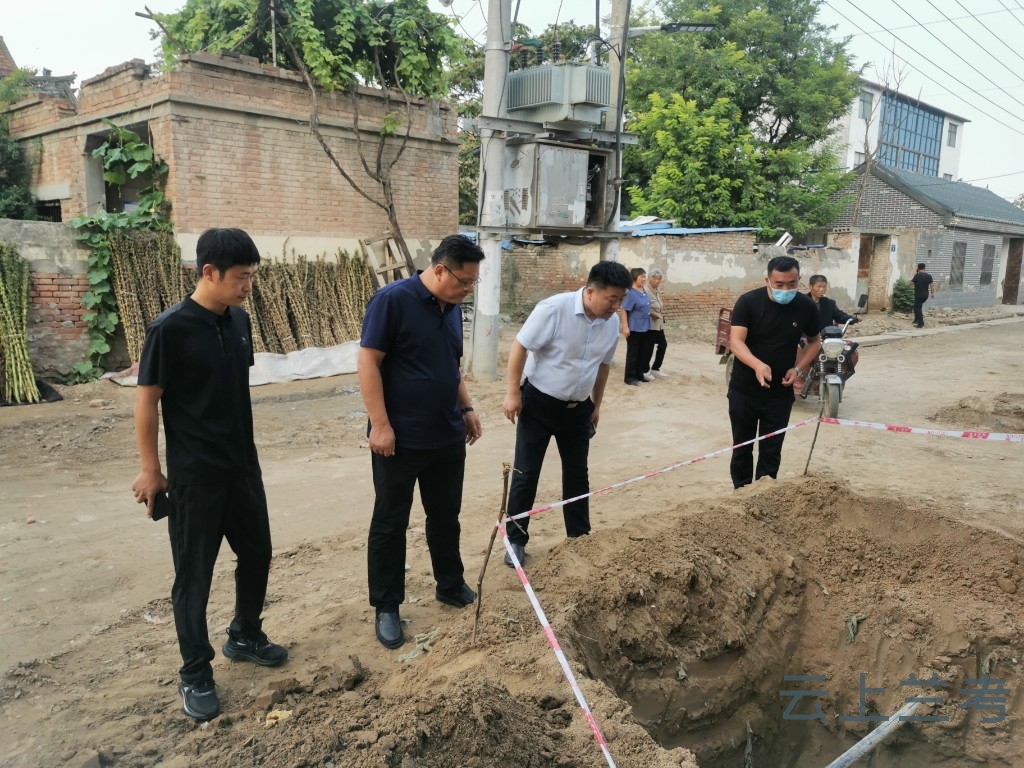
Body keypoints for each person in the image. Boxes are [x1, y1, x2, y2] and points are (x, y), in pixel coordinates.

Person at [131, 228, 287, 723]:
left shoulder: (238, 321)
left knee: (258, 553)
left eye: (252, 277)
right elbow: (147, 402)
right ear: (209, 272)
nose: (248, 287)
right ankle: (196, 671)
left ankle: (244, 634)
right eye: (242, 278)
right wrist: (152, 470)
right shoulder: (169, 329)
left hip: (243, 466)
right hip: (195, 477)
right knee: (194, 577)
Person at [358, 234, 484, 651]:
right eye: (464, 281)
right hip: (400, 438)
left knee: (446, 516)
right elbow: (368, 363)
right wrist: (380, 425)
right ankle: (387, 606)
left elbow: (451, 367)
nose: (468, 290)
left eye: (473, 284)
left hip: (445, 434)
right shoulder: (392, 300)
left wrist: (466, 410)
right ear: (439, 269)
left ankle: (450, 584)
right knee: (391, 522)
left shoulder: (452, 310)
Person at [502, 261, 632, 569]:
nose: (616, 306)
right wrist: (512, 393)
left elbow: (603, 366)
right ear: (590, 292)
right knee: (526, 473)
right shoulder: (553, 309)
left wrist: (596, 406)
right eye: (611, 298)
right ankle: (516, 541)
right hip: (538, 405)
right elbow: (520, 346)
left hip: (578, 410)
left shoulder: (610, 322)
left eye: (621, 300)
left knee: (577, 474)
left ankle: (579, 537)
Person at [727, 256, 821, 489]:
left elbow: (815, 342)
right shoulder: (748, 302)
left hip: (780, 393)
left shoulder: (806, 306)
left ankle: (765, 493)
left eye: (792, 284)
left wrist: (798, 368)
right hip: (744, 390)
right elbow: (736, 342)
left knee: (772, 448)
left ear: (799, 280)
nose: (786, 290)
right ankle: (741, 493)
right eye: (779, 284)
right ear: (767, 280)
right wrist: (757, 364)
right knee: (742, 446)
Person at [619, 267, 653, 386]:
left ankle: (639, 374)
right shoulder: (631, 293)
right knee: (633, 353)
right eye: (641, 276)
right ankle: (629, 377)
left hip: (645, 326)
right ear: (634, 278)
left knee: (643, 352)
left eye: (645, 276)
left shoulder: (643, 290)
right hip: (634, 327)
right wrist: (625, 326)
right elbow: (624, 310)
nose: (644, 279)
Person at [646, 268, 669, 376]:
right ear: (649, 278)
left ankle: (656, 368)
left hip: (659, 324)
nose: (656, 281)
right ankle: (645, 370)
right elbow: (643, 307)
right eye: (654, 278)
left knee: (663, 345)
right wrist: (651, 313)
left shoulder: (656, 290)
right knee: (648, 348)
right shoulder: (645, 290)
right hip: (650, 324)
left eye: (659, 279)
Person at [911, 263, 935, 328]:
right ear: (924, 268)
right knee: (916, 306)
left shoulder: (917, 276)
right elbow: (932, 285)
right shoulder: (929, 276)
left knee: (918, 308)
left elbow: (911, 283)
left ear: (918, 268)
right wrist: (932, 293)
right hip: (925, 295)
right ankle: (916, 319)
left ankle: (920, 323)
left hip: (918, 295)